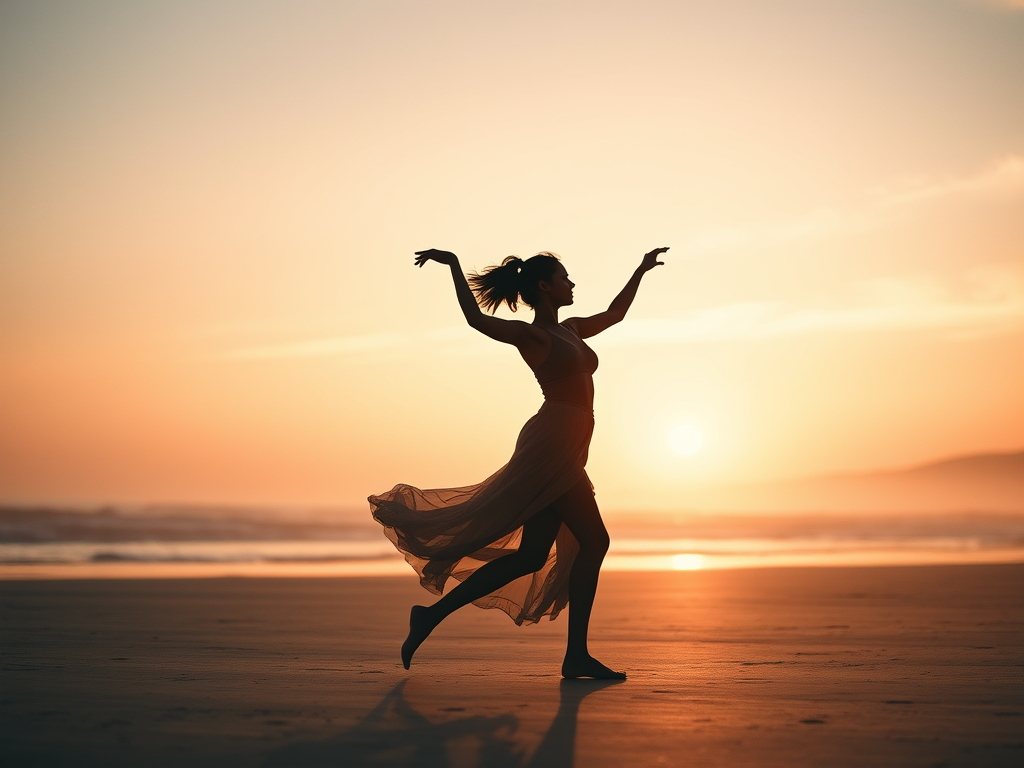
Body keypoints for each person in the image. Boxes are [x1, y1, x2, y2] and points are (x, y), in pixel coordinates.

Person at [369, 246, 668, 679]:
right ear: (545, 286)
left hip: (569, 443)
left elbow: (615, 313)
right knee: (595, 541)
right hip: (551, 443)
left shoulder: (572, 330)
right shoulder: (535, 336)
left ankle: (430, 617)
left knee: (531, 556)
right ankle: (576, 655)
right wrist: (454, 265)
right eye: (565, 277)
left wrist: (640, 270)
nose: (572, 284)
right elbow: (477, 320)